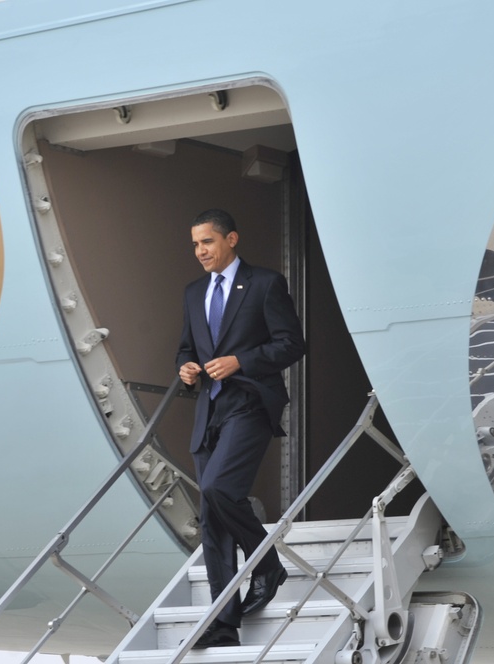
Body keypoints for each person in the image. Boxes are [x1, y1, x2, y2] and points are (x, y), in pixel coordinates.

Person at [176, 209, 305, 648]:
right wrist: (186, 368)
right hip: (208, 410)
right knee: (213, 519)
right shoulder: (194, 293)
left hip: (249, 402)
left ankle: (266, 564)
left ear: (231, 239)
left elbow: (292, 343)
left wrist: (241, 361)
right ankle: (224, 623)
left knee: (217, 490)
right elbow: (185, 348)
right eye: (195, 245)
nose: (200, 252)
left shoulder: (265, 283)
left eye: (207, 242)